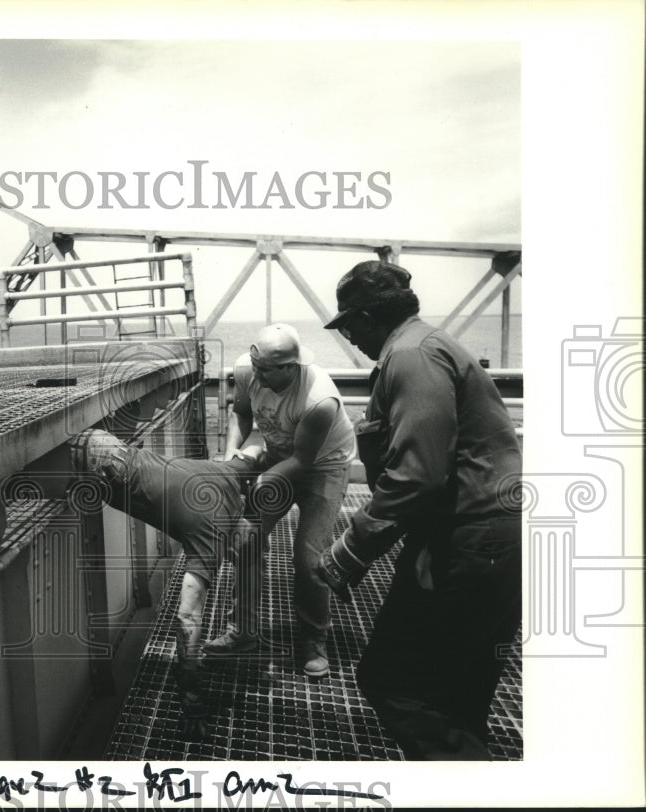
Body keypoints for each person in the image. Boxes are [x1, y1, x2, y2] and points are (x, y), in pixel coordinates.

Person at [319, 260, 522, 760]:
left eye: (348, 325)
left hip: (473, 542)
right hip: (487, 536)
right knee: (456, 700)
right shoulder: (431, 344)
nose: (351, 337)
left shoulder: (409, 356)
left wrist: (349, 551)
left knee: (394, 682)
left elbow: (419, 477)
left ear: (366, 317)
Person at [69, 428, 263, 740]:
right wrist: (190, 695)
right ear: (232, 546)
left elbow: (255, 446)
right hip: (95, 470)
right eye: (235, 559)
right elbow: (187, 619)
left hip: (107, 444)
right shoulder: (211, 539)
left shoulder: (229, 474)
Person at [202, 324, 355, 679]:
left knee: (308, 557)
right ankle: (243, 633)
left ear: (291, 367)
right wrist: (230, 457)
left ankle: (313, 640)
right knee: (246, 539)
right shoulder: (246, 370)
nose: (254, 375)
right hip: (280, 455)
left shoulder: (319, 400)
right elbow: (241, 413)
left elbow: (303, 461)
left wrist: (260, 482)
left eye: (264, 370)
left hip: (323, 467)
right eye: (253, 366)